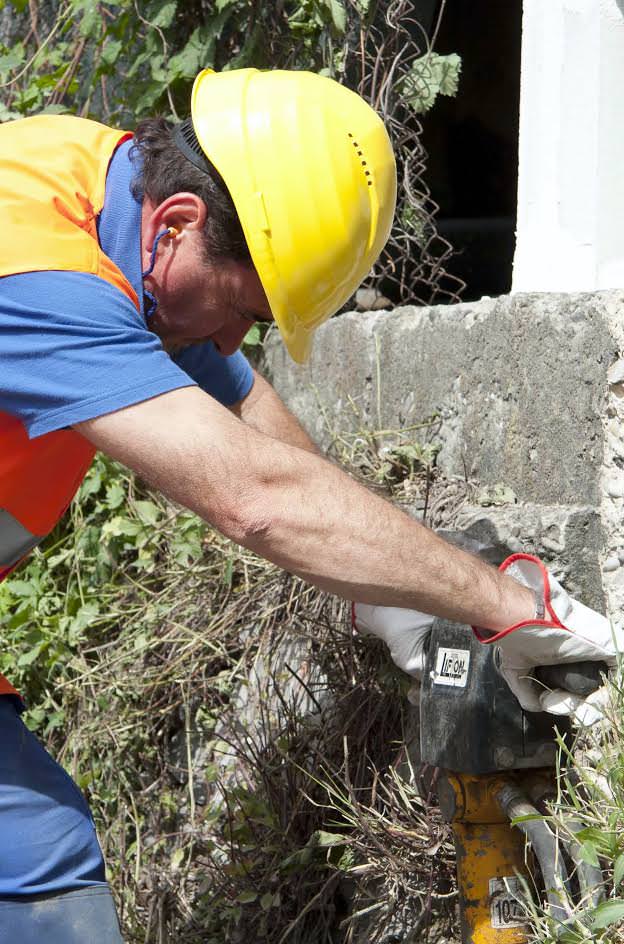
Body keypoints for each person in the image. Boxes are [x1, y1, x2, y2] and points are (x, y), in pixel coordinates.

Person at [0, 67, 619, 941]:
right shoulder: (32, 265)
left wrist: (391, 598)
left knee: (35, 861)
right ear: (176, 226)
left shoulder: (117, 209)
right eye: (238, 312)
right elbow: (253, 496)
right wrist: (510, 608)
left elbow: (250, 417)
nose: (225, 346)